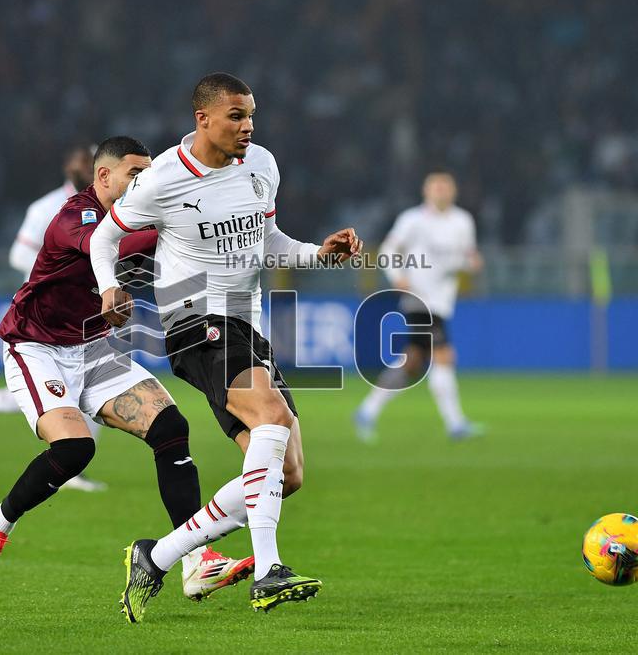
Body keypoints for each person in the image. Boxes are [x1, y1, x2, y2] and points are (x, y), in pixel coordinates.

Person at [89, 73, 362, 621]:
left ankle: (156, 557)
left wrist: (317, 253)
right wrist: (110, 287)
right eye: (236, 116)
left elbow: (268, 240)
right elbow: (105, 237)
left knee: (287, 474)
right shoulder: (163, 178)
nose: (248, 126)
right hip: (193, 317)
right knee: (272, 413)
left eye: (251, 115)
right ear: (203, 119)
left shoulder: (262, 164)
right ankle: (268, 571)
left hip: (246, 322)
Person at [0, 136, 254, 601]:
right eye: (135, 175)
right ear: (104, 177)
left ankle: (196, 561)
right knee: (76, 448)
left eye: (150, 175)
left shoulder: (143, 214)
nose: (146, 184)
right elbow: (107, 243)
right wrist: (176, 223)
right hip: (37, 346)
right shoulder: (73, 217)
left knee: (171, 428)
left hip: (95, 349)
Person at [0, 146, 107, 491]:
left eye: (93, 162)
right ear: (69, 165)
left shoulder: (103, 208)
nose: (88, 167)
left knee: (81, 391)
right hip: (40, 318)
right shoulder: (45, 207)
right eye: (83, 161)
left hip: (82, 312)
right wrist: (56, 268)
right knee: (50, 396)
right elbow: (18, 253)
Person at [354, 170, 484, 442]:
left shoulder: (463, 221)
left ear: (453, 191)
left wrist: (471, 264)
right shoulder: (413, 220)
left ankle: (367, 410)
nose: (441, 191)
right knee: (444, 355)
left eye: (445, 187)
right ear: (426, 191)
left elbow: (465, 257)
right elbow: (389, 250)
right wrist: (397, 276)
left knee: (412, 362)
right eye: (435, 187)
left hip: (442, 300)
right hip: (418, 298)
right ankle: (455, 424)